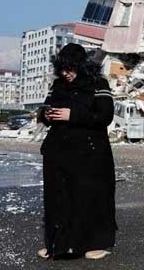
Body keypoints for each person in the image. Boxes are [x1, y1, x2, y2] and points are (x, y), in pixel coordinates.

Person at [37, 43, 116, 261]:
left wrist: (72, 115)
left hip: (89, 153)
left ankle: (93, 243)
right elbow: (44, 109)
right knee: (58, 199)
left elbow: (105, 116)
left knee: (88, 198)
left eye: (70, 68)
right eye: (62, 69)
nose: (66, 73)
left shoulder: (98, 84)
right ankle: (57, 244)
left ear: (80, 66)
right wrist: (47, 115)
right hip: (57, 151)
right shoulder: (57, 85)